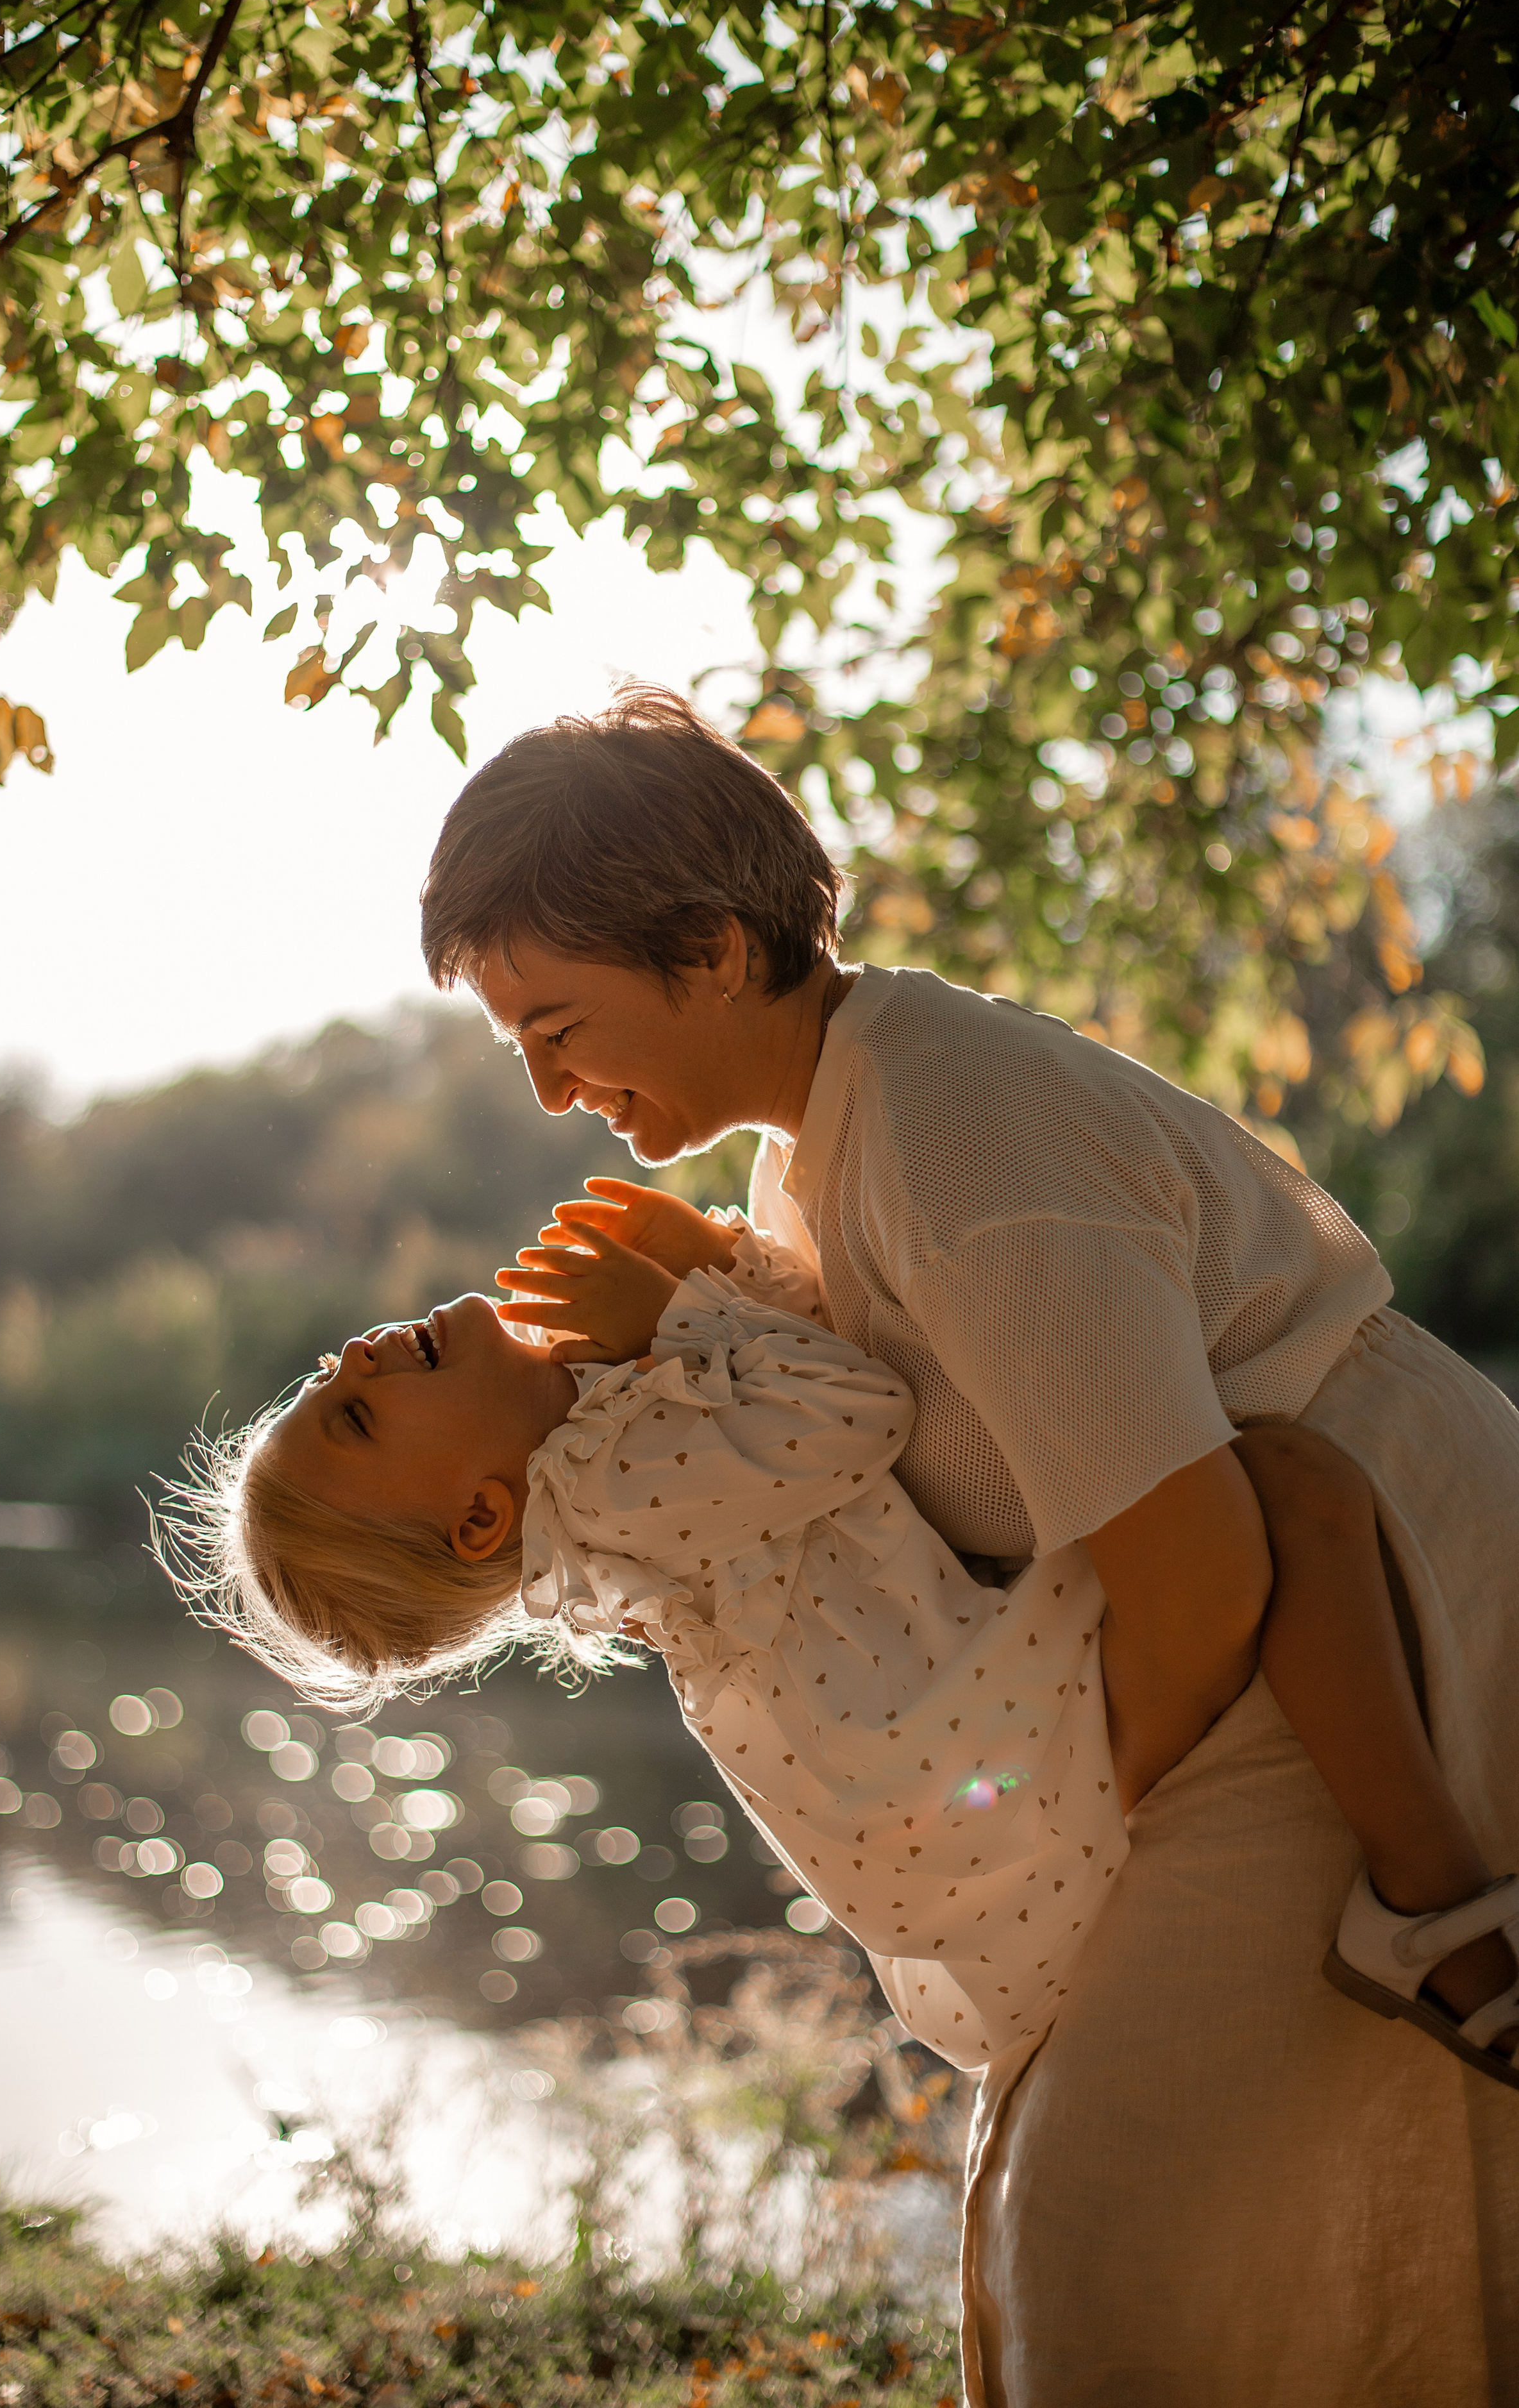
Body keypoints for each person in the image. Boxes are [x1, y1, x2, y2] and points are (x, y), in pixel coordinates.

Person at [416, 683, 1519, 2407]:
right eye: (520, 1049)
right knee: (1135, 2216)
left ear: (712, 948)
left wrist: (1059, 1856)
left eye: (558, 1025)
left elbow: (1204, 1561)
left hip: (1364, 1613)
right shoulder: (814, 1151)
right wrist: (691, 1299)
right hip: (1253, 1635)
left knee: (1116, 2228)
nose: (553, 1089)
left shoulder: (953, 1126)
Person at [164, 1216, 1515, 2086]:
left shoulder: (604, 1467)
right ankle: (1429, 1902)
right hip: (987, 1755)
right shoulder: (614, 1481)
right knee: (1288, 1486)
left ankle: (1423, 1896)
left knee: (1291, 1500)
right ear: (477, 1519)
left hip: (945, 1758)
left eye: (320, 1387)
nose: (349, 1360)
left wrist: (702, 1283)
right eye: (355, 1418)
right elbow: (849, 1411)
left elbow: (788, 1386)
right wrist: (683, 1306)